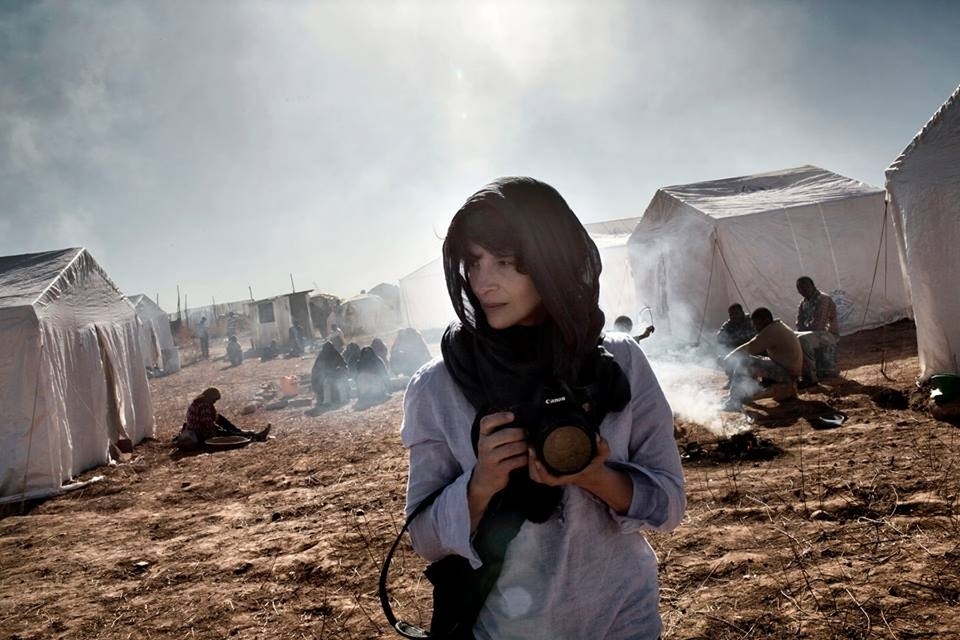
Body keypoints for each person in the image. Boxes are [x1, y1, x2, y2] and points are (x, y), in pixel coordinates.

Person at [401, 177, 685, 639]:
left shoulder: (620, 363)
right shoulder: (440, 385)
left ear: (552, 260)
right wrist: (480, 485)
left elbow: (669, 505)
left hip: (623, 617)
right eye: (473, 263)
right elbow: (425, 539)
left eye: (505, 262)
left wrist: (593, 475)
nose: (483, 281)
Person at [722, 307, 803, 411]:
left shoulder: (771, 331)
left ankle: (734, 401)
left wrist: (728, 358)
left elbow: (750, 346)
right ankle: (744, 393)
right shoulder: (777, 326)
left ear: (766, 320)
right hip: (788, 370)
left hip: (787, 373)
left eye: (757, 324)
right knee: (755, 360)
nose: (756, 328)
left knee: (745, 363)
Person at [177, 387, 270, 449]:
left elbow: (210, 419)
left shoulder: (198, 402)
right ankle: (255, 436)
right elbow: (208, 424)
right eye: (214, 400)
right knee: (229, 434)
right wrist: (221, 430)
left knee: (220, 418)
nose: (214, 402)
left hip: (195, 430)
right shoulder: (204, 405)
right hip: (199, 433)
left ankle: (238, 431)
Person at [795, 276, 840, 386]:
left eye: (805, 287)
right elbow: (799, 323)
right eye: (800, 288)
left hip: (828, 335)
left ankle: (810, 377)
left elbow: (819, 325)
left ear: (813, 286)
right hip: (814, 334)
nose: (802, 290)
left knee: (802, 339)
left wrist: (803, 331)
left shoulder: (823, 299)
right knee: (791, 337)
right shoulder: (803, 303)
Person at [311, 341, 349, 406]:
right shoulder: (324, 356)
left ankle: (341, 400)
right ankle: (328, 401)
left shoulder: (332, 354)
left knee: (340, 383)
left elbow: (344, 365)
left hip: (335, 375)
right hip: (326, 377)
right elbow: (316, 371)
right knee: (328, 383)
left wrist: (340, 372)